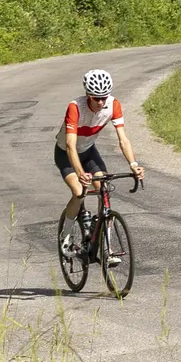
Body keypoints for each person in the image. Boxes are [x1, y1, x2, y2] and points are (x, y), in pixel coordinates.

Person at [55, 69, 144, 257]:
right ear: (88, 94)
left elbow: (123, 139)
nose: (101, 102)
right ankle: (67, 235)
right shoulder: (75, 107)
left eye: (104, 97)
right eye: (96, 98)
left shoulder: (113, 105)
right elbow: (71, 145)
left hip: (88, 152)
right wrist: (80, 173)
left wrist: (134, 165)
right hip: (66, 154)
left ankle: (106, 246)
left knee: (104, 191)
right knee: (79, 192)